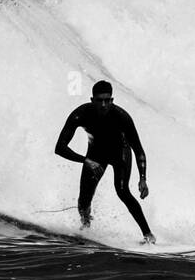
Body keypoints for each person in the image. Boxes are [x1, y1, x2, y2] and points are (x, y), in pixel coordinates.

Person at [54, 80, 156, 243]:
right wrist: (86, 161)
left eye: (107, 100)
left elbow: (138, 149)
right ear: (92, 100)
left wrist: (143, 178)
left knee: (122, 191)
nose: (103, 104)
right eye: (99, 100)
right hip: (95, 154)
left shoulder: (122, 117)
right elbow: (59, 147)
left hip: (120, 152)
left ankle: (148, 235)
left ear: (112, 100)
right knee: (83, 201)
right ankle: (86, 229)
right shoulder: (81, 114)